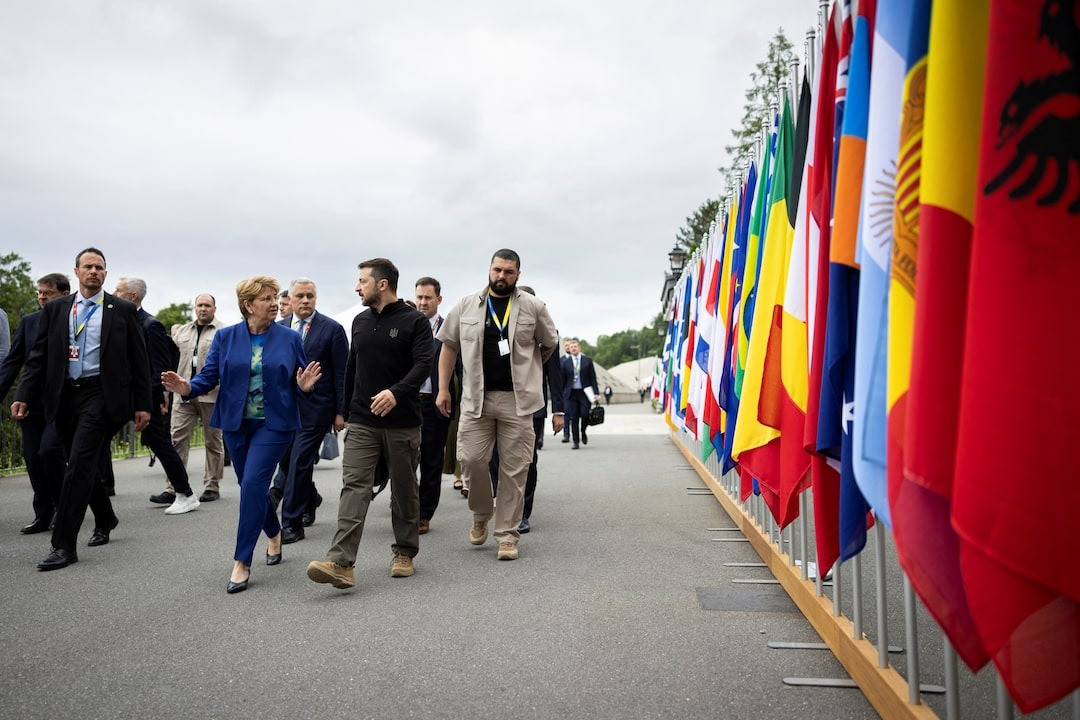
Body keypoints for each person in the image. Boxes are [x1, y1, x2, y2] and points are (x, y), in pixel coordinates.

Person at [162, 276, 322, 594]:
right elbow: (208, 376)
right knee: (251, 486)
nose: (275, 303)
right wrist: (187, 388)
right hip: (235, 424)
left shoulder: (289, 338)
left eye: (276, 297)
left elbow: (301, 379)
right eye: (267, 298)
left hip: (274, 425)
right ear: (248, 305)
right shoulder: (226, 337)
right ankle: (273, 533)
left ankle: (242, 560)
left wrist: (303, 388)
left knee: (252, 483)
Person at [12, 248, 152, 571]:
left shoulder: (123, 310)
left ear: (106, 274)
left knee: (78, 464)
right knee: (74, 461)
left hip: (101, 397)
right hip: (63, 397)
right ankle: (105, 516)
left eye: (99, 267)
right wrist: (24, 394)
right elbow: (38, 357)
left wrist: (143, 404)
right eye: (88, 266)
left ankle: (63, 545)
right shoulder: (58, 309)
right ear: (76, 271)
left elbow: (139, 361)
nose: (94, 271)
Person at [306, 258, 431, 590]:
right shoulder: (359, 321)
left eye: (362, 281)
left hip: (402, 422)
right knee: (354, 488)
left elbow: (423, 365)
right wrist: (342, 410)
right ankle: (341, 562)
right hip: (362, 420)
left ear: (382, 284)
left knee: (404, 491)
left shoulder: (415, 322)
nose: (357, 287)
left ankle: (404, 552)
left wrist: (397, 392)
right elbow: (352, 368)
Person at [435, 249, 560, 561]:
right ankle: (481, 512)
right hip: (476, 398)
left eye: (508, 271)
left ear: (518, 274)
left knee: (515, 470)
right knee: (471, 459)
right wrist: (442, 389)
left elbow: (550, 343)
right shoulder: (466, 305)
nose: (501, 276)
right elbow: (449, 346)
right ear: (489, 270)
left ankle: (507, 535)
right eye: (497, 270)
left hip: (518, 402)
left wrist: (530, 370)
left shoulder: (534, 306)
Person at [115, 277, 199, 516]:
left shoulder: (150, 325)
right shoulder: (118, 321)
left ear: (133, 296)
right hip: (119, 395)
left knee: (161, 444)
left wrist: (158, 398)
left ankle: (185, 493)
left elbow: (160, 368)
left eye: (118, 290)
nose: (113, 294)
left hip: (145, 398)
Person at [486, 285, 564, 534]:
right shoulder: (499, 326)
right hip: (498, 401)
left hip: (532, 405)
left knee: (526, 460)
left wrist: (558, 411)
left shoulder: (546, 332)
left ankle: (522, 512)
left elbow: (555, 374)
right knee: (495, 457)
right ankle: (502, 501)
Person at [275, 278, 347, 544]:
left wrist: (341, 412)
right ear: (290, 299)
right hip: (284, 410)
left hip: (317, 409)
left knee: (298, 462)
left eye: (310, 296)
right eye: (300, 296)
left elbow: (342, 373)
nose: (305, 301)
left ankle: (291, 523)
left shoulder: (332, 329)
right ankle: (311, 497)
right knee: (285, 460)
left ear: (316, 298)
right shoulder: (278, 328)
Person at [0, 273, 71, 534]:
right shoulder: (29, 322)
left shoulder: (74, 322)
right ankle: (43, 513)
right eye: (39, 293)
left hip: (63, 403)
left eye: (47, 293)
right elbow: (13, 362)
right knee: (32, 459)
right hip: (30, 403)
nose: (41, 297)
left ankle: (64, 509)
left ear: (64, 295)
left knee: (49, 452)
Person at [168, 293, 226, 503]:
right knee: (177, 440)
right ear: (195, 307)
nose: (203, 309)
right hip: (182, 394)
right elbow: (172, 360)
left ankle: (212, 485)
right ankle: (175, 486)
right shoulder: (182, 331)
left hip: (211, 394)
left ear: (214, 308)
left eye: (207, 305)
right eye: (200, 305)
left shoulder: (223, 332)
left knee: (213, 441)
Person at [415, 276, 459, 535]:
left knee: (431, 461)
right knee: (406, 460)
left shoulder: (448, 330)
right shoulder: (407, 326)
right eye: (419, 297)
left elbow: (461, 367)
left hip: (436, 405)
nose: (422, 302)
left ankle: (424, 513)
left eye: (427, 298)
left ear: (438, 300)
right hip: (408, 404)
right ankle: (406, 506)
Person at [560, 339, 599, 449]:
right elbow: (563, 380)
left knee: (585, 414)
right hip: (571, 394)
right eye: (571, 347)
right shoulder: (565, 363)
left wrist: (596, 393)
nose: (573, 348)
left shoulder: (587, 361)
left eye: (575, 346)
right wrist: (562, 395)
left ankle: (583, 431)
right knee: (574, 417)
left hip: (584, 393)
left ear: (579, 348)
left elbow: (592, 378)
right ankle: (576, 441)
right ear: (569, 349)